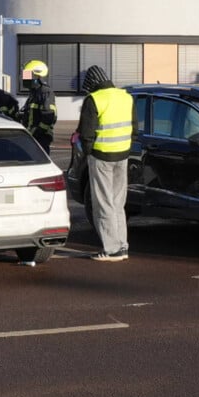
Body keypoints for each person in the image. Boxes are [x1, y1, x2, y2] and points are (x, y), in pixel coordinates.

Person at [75, 65, 137, 262]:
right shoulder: (126, 96)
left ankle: (111, 250)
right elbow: (134, 128)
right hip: (123, 155)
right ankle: (122, 245)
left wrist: (88, 153)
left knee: (103, 203)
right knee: (118, 203)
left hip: (101, 156)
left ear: (92, 84)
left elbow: (86, 133)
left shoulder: (94, 99)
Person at [18, 59, 57, 154]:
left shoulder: (45, 92)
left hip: (40, 138)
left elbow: (48, 118)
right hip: (32, 137)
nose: (24, 78)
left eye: (27, 75)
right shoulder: (34, 92)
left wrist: (34, 133)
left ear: (37, 77)